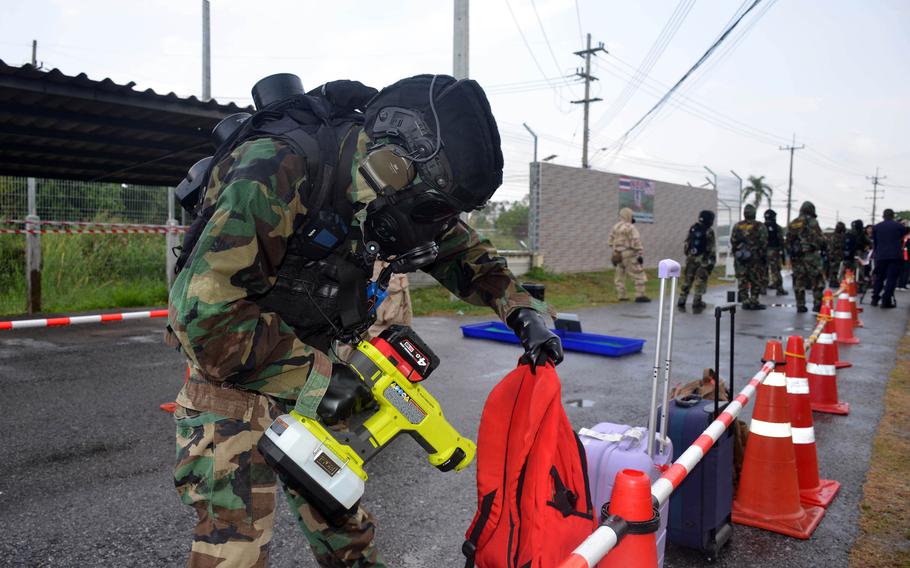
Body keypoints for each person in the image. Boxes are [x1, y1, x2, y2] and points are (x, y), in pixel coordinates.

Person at [166, 73, 564, 567]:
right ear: (394, 162)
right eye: (433, 204)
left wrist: (524, 311)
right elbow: (202, 320)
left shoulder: (397, 186)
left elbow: (461, 249)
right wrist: (321, 379)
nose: (433, 219)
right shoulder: (276, 167)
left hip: (314, 373)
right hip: (233, 389)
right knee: (234, 549)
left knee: (347, 534)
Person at [786, 201, 826, 313]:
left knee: (799, 280)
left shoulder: (793, 223)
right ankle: (817, 304)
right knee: (817, 279)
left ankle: (800, 305)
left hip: (797, 256)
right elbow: (819, 239)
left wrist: (792, 253)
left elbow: (788, 241)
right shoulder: (813, 222)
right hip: (811, 255)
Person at [608, 207, 651, 302]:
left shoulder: (615, 227)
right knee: (638, 274)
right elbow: (636, 241)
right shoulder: (630, 227)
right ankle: (640, 295)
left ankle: (621, 295)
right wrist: (639, 253)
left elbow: (610, 242)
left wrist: (615, 251)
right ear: (629, 215)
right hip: (629, 254)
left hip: (618, 255)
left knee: (620, 276)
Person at [677, 209, 716, 312]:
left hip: (691, 258)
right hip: (703, 260)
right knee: (700, 281)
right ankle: (697, 302)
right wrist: (711, 264)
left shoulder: (693, 228)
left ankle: (682, 299)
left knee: (687, 280)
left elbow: (687, 243)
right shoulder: (709, 231)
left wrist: (689, 255)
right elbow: (711, 249)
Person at [731, 204, 768, 310]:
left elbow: (733, 241)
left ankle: (745, 301)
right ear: (754, 213)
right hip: (755, 258)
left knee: (742, 279)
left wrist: (737, 253)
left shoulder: (737, 226)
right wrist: (761, 255)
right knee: (755, 280)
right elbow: (764, 242)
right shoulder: (760, 226)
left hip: (740, 258)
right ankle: (754, 300)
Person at [871, 208, 906, 308]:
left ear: (883, 216)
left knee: (879, 277)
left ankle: (875, 298)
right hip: (895, 255)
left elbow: (875, 241)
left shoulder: (877, 227)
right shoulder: (899, 226)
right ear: (893, 215)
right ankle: (886, 300)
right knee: (891, 279)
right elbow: (903, 235)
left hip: (881, 255)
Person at [763, 209, 788, 296]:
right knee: (776, 270)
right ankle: (779, 289)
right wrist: (782, 253)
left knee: (763, 270)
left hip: (763, 251)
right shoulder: (777, 227)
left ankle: (763, 288)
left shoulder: (761, 227)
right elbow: (781, 241)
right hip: (774, 251)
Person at [843, 219, 871, 285]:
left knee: (849, 268)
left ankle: (848, 282)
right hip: (858, 253)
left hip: (849, 254)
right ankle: (860, 283)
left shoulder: (848, 233)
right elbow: (868, 242)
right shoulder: (861, 233)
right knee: (859, 268)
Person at [827, 222, 847, 288]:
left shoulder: (840, 235)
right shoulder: (835, 236)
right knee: (834, 269)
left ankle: (836, 281)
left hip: (838, 254)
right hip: (835, 254)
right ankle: (833, 282)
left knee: (837, 269)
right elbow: (832, 246)